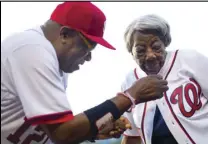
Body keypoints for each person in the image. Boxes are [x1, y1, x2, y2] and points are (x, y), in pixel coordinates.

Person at [1, 2, 169, 144]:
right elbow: (63, 133)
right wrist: (130, 96)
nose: (88, 58)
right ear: (65, 34)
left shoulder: (53, 60)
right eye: (88, 47)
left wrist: (93, 130)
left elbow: (56, 129)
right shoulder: (32, 50)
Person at [120, 14, 208, 144]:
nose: (150, 55)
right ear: (131, 52)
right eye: (140, 51)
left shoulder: (189, 60)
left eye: (156, 47)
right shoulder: (130, 82)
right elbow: (132, 135)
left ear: (165, 42)